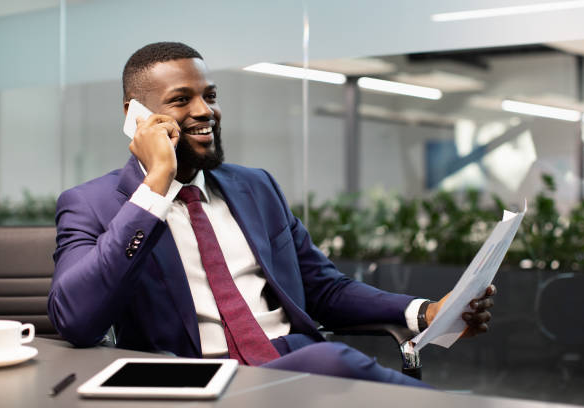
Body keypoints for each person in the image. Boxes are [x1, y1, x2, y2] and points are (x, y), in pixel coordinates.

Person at [47, 42, 495, 388]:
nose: (205, 111)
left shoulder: (255, 187)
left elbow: (323, 289)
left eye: (210, 96)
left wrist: (426, 312)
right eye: (182, 100)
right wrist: (155, 185)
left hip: (291, 361)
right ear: (136, 116)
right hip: (197, 380)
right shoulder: (94, 203)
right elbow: (77, 320)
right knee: (333, 364)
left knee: (329, 366)